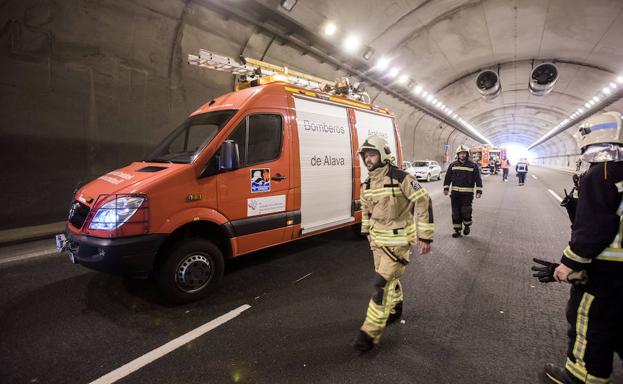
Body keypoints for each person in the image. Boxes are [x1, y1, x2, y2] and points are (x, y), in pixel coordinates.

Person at [543, 112, 623, 384]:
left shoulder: (599, 175)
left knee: (591, 327)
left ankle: (581, 378)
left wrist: (569, 265)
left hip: (606, 274)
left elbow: (595, 229)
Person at [351, 135, 434, 352]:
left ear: (384, 154)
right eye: (365, 155)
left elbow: (423, 201)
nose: (367, 159)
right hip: (378, 243)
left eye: (372, 154)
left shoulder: (401, 177)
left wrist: (425, 236)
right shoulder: (367, 183)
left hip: (397, 244)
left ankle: (369, 333)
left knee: (381, 286)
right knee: (391, 280)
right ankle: (395, 310)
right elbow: (366, 211)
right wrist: (366, 232)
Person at [443, 145, 483, 238]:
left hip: (467, 194)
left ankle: (467, 225)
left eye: (464, 153)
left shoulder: (473, 165)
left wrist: (479, 191)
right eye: (461, 153)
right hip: (455, 194)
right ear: (458, 154)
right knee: (455, 212)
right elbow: (448, 177)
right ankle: (457, 230)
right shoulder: (453, 165)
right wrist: (446, 188)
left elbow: (478, 179)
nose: (462, 155)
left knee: (465, 211)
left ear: (467, 154)